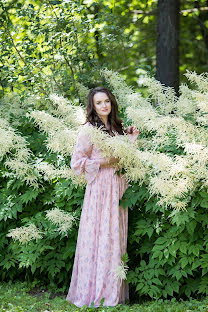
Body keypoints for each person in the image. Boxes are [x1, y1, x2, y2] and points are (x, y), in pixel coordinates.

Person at [66, 86, 139, 308]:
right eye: (99, 102)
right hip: (99, 188)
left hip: (118, 186)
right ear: (93, 106)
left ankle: (111, 291)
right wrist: (104, 162)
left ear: (112, 103)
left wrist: (132, 139)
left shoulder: (117, 127)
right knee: (99, 235)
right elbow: (76, 162)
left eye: (107, 101)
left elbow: (125, 157)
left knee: (114, 235)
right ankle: (94, 290)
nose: (104, 105)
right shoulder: (89, 130)